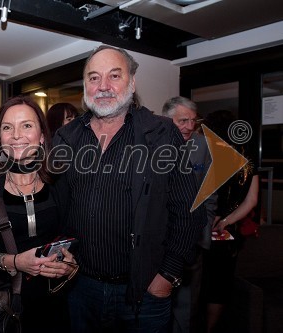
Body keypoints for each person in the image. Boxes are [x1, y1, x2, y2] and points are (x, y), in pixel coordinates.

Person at [52, 45, 206, 332]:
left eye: (114, 75)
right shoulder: (65, 137)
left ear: (132, 83)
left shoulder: (162, 133)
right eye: (94, 78)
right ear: (85, 85)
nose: (103, 87)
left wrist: (167, 275)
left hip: (143, 293)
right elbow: (58, 207)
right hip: (79, 288)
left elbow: (189, 210)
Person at [0, 95, 78, 333]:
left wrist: (71, 266)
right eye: (7, 127)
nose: (17, 135)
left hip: (54, 307)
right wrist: (15, 262)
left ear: (42, 136)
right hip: (1, 312)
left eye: (27, 126)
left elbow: (73, 238)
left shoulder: (60, 183)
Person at [162, 96, 217, 333]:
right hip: (160, 239)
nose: (188, 127)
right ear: (166, 120)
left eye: (193, 121)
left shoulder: (203, 146)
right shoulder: (151, 144)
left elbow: (210, 192)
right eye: (182, 120)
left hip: (192, 240)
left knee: (187, 304)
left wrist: (204, 234)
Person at [201, 110, 259, 333]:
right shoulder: (248, 157)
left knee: (198, 282)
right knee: (219, 286)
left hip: (203, 228)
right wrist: (226, 221)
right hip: (228, 233)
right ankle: (210, 329)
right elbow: (251, 201)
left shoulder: (209, 155)